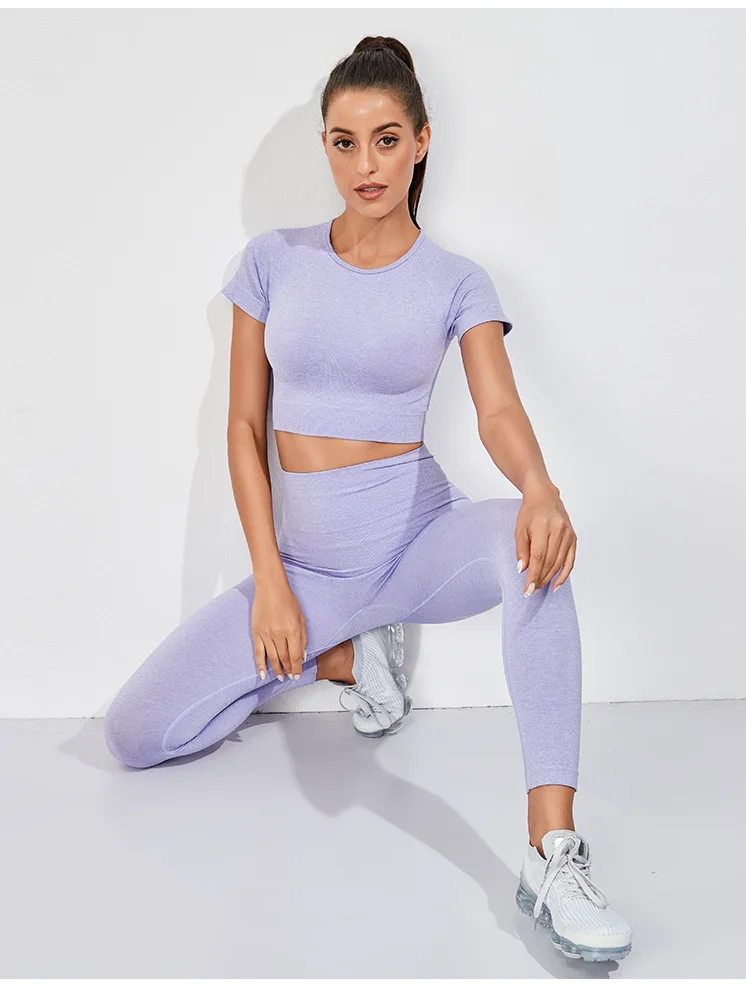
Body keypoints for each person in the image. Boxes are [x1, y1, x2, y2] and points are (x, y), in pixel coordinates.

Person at [103, 35, 632, 963]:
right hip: (307, 570)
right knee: (136, 734)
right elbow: (242, 429)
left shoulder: (455, 280)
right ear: (325, 148)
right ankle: (346, 656)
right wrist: (271, 584)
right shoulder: (273, 261)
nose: (366, 164)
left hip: (416, 543)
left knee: (533, 547)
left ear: (421, 141)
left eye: (386, 139)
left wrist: (541, 490)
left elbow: (497, 409)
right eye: (344, 143)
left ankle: (552, 850)